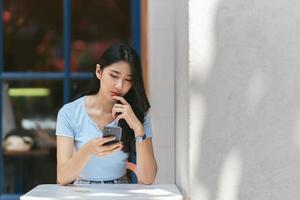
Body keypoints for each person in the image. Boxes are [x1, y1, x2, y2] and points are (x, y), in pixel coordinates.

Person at [55, 43, 157, 185]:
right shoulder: (69, 113)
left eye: (128, 80)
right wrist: (88, 150)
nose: (119, 85)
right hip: (82, 192)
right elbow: (62, 177)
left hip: (120, 192)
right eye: (114, 76)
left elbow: (148, 179)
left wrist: (138, 129)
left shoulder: (137, 113)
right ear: (99, 72)